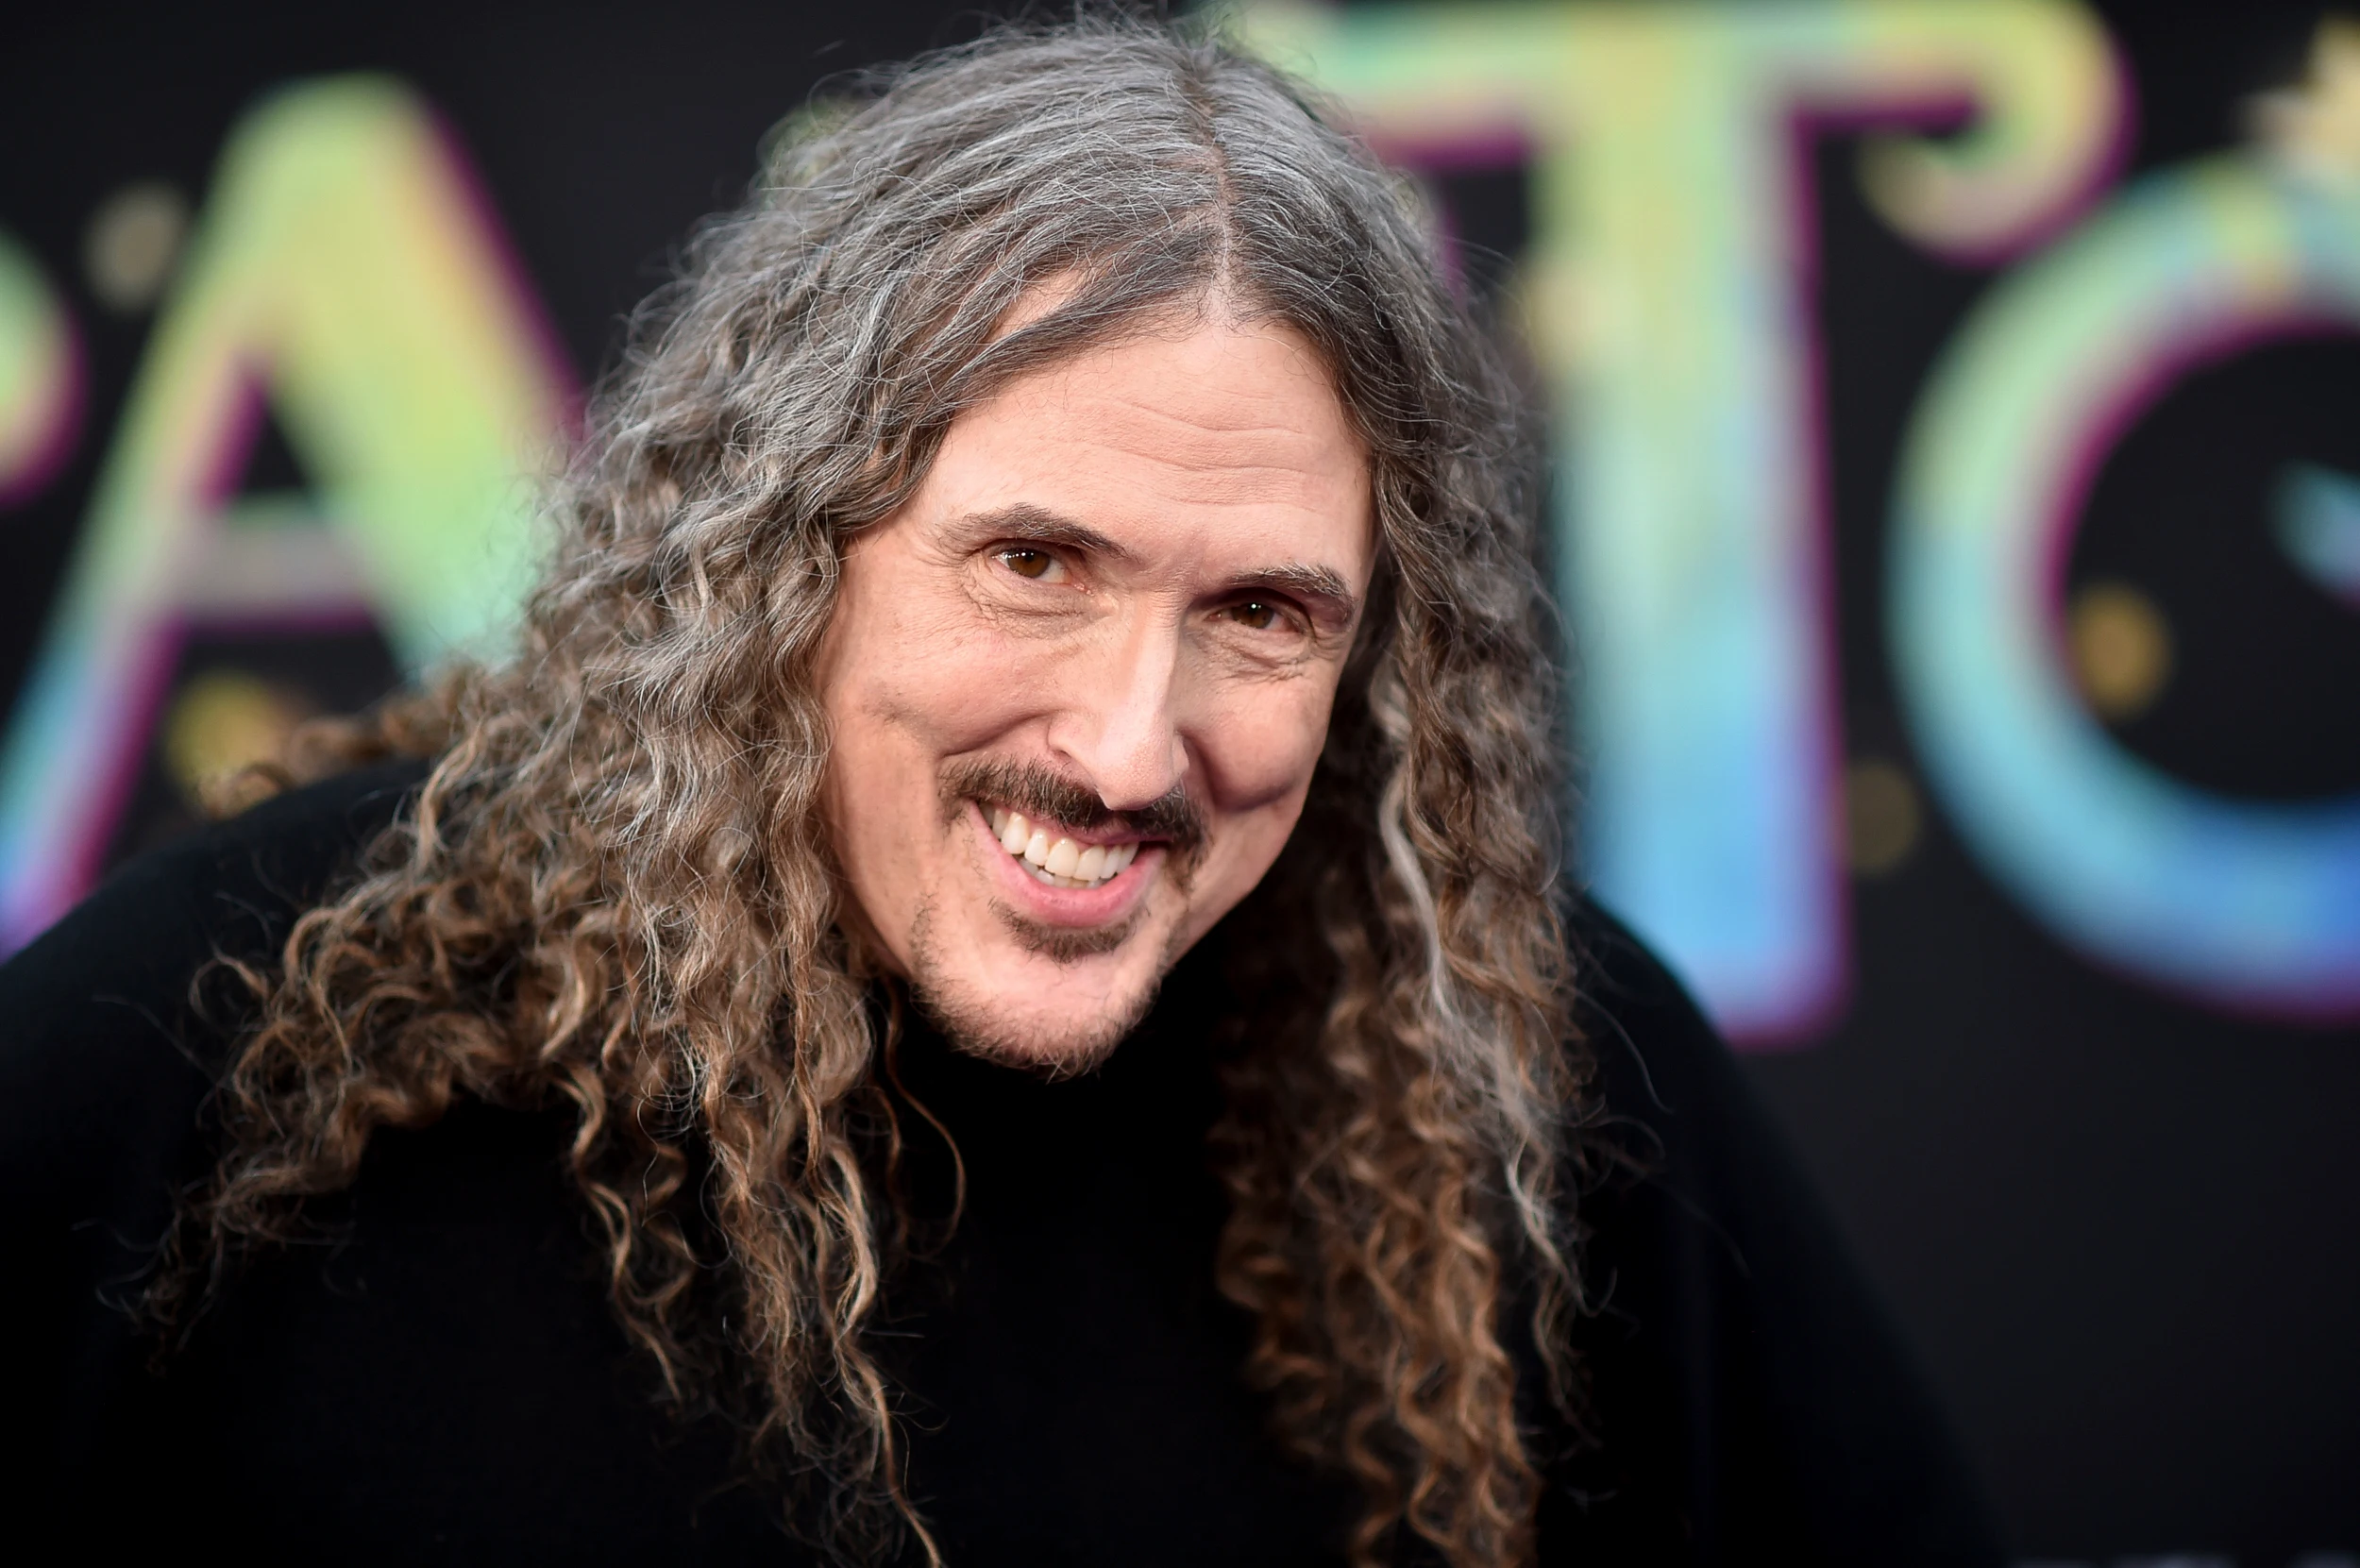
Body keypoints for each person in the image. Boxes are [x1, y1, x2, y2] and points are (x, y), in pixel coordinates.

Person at [4, 18, 1998, 1567]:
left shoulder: (1527, 1069)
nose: (1133, 744)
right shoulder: (221, 1046)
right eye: (1032, 561)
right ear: (780, 553)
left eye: (1262, 611)